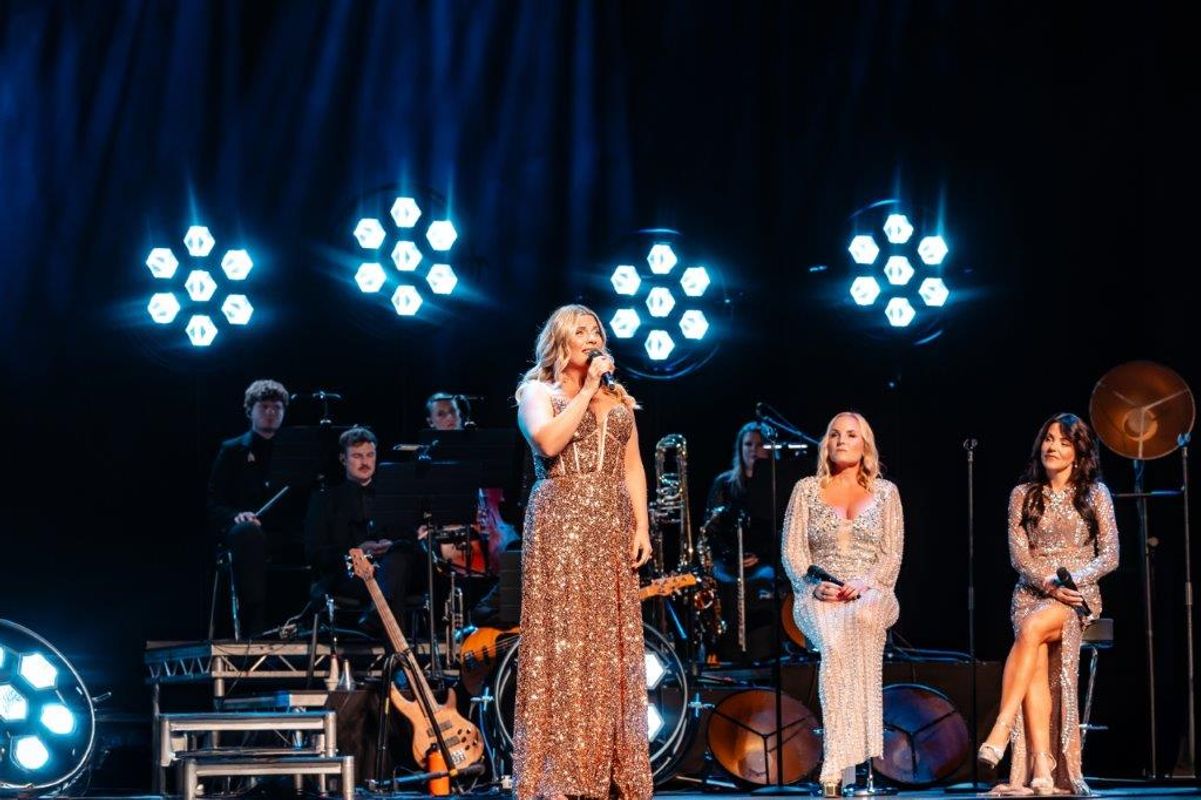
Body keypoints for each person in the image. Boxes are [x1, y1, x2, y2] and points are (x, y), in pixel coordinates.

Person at [511, 304, 654, 800]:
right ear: (560, 342)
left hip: (610, 520)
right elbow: (548, 442)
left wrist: (643, 526)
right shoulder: (538, 391)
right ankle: (560, 770)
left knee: (606, 644)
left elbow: (633, 466)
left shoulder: (619, 397)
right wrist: (588, 389)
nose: (593, 338)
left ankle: (607, 765)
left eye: (596, 330)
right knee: (565, 642)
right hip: (562, 517)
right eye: (581, 332)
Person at [977, 413, 1119, 795]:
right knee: (1033, 648)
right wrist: (1045, 582)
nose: (1052, 447)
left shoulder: (1095, 494)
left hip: (1076, 595)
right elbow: (1018, 557)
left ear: (1078, 452)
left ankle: (1001, 728)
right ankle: (1042, 767)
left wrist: (1070, 581)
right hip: (1030, 593)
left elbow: (1110, 556)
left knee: (1033, 629)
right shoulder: (1023, 494)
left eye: (1063, 442)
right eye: (1048, 439)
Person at [781, 411, 904, 796]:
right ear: (826, 443)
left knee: (864, 619)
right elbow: (792, 552)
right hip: (817, 593)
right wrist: (811, 586)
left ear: (865, 444)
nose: (841, 440)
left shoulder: (887, 493)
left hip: (872, 590)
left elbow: (891, 556)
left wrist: (865, 583)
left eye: (851, 435)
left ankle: (857, 760)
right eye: (834, 434)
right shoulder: (806, 489)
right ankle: (838, 760)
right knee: (834, 645)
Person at [304, 426, 414, 630]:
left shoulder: (393, 496)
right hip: (349, 571)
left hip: (390, 568)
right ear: (343, 459)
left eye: (370, 455)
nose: (365, 461)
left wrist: (390, 545)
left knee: (398, 561)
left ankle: (377, 611)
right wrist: (358, 551)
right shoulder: (324, 499)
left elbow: (409, 537)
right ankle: (397, 654)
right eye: (357, 456)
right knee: (393, 584)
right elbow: (314, 552)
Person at [207, 379, 292, 637]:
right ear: (250, 411)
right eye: (264, 406)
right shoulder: (232, 450)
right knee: (248, 534)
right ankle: (253, 628)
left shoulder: (292, 451)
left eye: (277, 407)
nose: (270, 412)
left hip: (284, 530)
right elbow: (214, 504)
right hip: (245, 534)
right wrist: (237, 516)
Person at [704, 421, 776, 659]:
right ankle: (725, 648)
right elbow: (711, 529)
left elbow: (778, 529)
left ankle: (763, 647)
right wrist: (730, 556)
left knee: (766, 578)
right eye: (748, 444)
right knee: (722, 580)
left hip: (762, 559)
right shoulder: (724, 483)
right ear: (740, 448)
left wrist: (761, 555)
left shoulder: (774, 485)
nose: (753, 450)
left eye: (759, 445)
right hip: (729, 558)